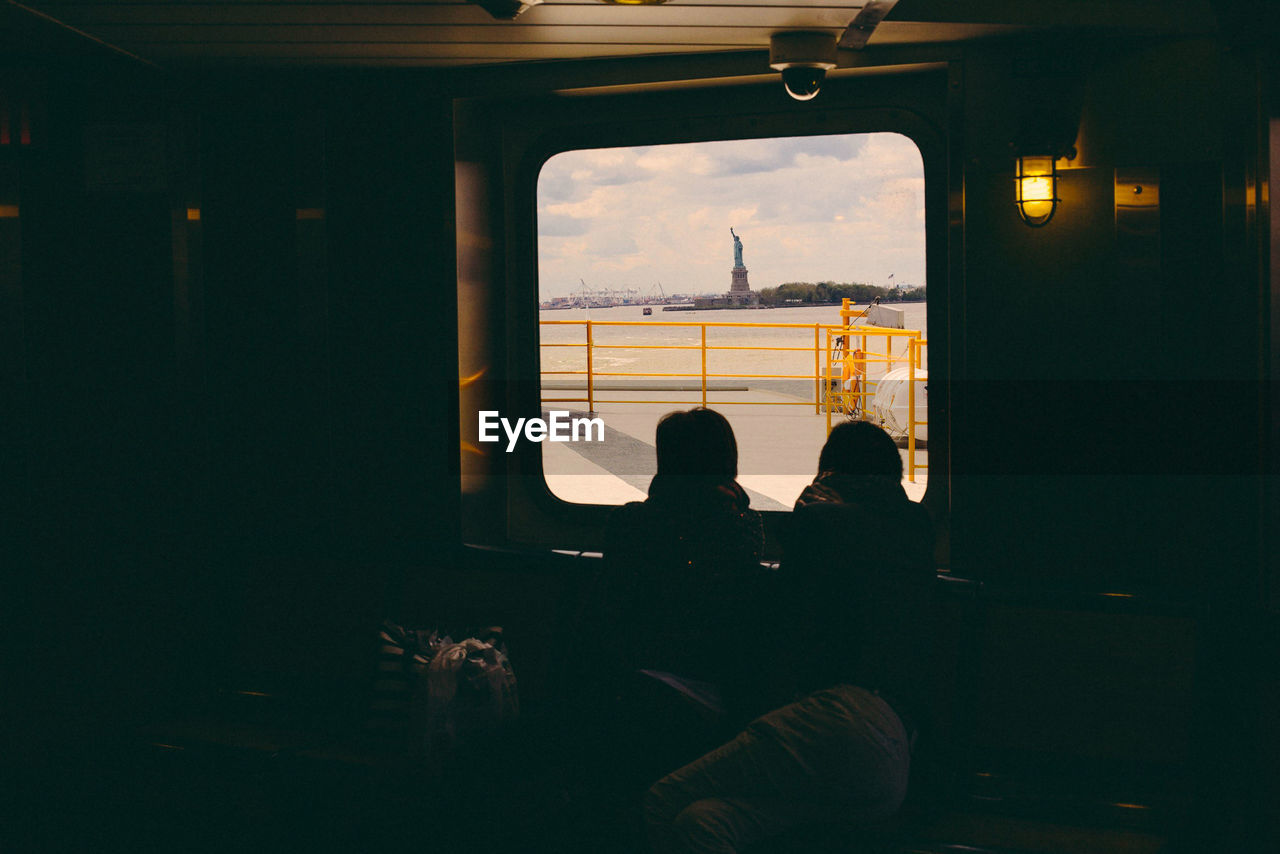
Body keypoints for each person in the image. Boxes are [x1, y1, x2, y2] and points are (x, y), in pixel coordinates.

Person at [643, 420, 935, 854]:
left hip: (836, 720)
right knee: (702, 824)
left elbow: (779, 638)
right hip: (896, 756)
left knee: (660, 801)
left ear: (829, 473)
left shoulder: (818, 521)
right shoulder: (916, 530)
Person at [593, 408, 769, 783]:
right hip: (722, 689)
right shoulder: (745, 526)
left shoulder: (627, 525)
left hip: (638, 676)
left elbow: (612, 614)